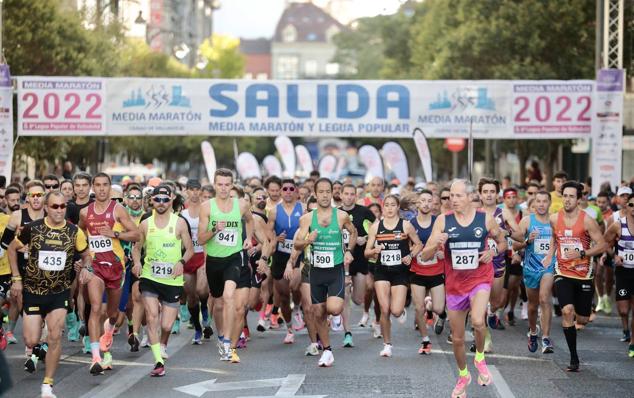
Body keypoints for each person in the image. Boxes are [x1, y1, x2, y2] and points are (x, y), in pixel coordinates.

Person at [421, 179, 506, 398]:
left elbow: (503, 242)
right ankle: (463, 375)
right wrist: (435, 242)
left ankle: (479, 357)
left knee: (478, 320)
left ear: (470, 197)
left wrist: (493, 252)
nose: (453, 200)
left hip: (480, 279)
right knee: (457, 339)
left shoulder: (484, 219)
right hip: (455, 285)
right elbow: (425, 255)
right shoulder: (442, 220)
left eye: (458, 196)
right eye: (450, 196)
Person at [9, 191, 92, 398]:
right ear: (46, 207)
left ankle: (48, 384)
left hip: (59, 291)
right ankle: (37, 344)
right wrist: (17, 278)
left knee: (55, 336)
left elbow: (86, 254)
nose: (59, 210)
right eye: (55, 206)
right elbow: (12, 249)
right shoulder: (33, 229)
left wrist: (86, 268)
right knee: (30, 339)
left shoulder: (74, 232)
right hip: (34, 291)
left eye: (63, 206)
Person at [79, 172, 140, 375]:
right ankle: (96, 357)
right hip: (95, 266)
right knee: (96, 308)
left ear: (109, 187)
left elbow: (136, 234)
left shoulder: (118, 210)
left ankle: (109, 330)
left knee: (113, 314)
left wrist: (114, 233)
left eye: (105, 185)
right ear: (93, 188)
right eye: (98, 185)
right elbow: (78, 237)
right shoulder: (85, 212)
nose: (102, 188)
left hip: (115, 267)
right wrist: (81, 260)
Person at [293, 178, 356, 367]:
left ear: (332, 193)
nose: (325, 195)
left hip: (335, 269)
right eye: (321, 192)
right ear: (315, 193)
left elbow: (354, 233)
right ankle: (327, 350)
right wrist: (307, 241)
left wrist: (349, 251)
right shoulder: (306, 219)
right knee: (317, 311)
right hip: (316, 270)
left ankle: (335, 319)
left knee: (335, 308)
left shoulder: (342, 216)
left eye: (328, 191)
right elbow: (296, 244)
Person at [132, 185, 193, 377]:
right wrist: (136, 264)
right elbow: (136, 248)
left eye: (165, 200)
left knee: (166, 325)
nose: (161, 203)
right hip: (150, 277)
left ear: (171, 201)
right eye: (157, 199)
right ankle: (158, 361)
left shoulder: (179, 223)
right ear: (151, 201)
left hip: (172, 280)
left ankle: (163, 343)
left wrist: (182, 262)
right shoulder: (145, 224)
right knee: (151, 316)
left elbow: (190, 249)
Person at [545, 181, 607, 371]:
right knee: (567, 311)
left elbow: (602, 245)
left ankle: (586, 311)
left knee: (582, 319)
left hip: (584, 273)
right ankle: (574, 358)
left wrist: (583, 254)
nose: (567, 199)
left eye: (572, 196)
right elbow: (555, 238)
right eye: (565, 196)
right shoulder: (554, 218)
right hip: (563, 271)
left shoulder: (587, 220)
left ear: (579, 199)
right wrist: (549, 255)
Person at [198, 168, 254, 363]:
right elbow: (200, 238)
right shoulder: (206, 207)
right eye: (219, 184)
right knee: (219, 303)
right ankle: (222, 336)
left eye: (227, 184)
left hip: (234, 256)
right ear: (214, 185)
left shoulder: (241, 205)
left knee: (229, 296)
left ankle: (228, 343)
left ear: (232, 185)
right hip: (214, 260)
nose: (223, 188)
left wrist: (249, 239)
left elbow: (250, 221)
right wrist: (215, 229)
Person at [365, 195, 423, 357]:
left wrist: (410, 255)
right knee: (384, 309)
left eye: (393, 205)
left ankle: (401, 311)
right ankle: (387, 344)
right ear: (383, 207)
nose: (389, 208)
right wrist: (374, 251)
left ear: (398, 207)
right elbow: (366, 252)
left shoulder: (406, 226)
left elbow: (418, 244)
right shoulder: (376, 227)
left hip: (400, 272)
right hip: (382, 271)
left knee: (395, 311)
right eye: (387, 205)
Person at [1, 180, 47, 346]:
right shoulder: (18, 216)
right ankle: (35, 339)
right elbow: (5, 243)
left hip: (44, 270)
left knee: (41, 309)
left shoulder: (50, 215)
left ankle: (41, 337)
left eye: (39, 195)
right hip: (21, 268)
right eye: (32, 195)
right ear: (27, 198)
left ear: (44, 197)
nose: (35, 199)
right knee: (24, 305)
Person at [265, 178, 305, 344]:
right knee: (282, 295)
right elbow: (268, 232)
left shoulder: (302, 209)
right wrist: (276, 238)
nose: (288, 192)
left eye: (291, 189)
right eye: (285, 189)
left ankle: (297, 308)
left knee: (295, 286)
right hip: (280, 255)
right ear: (281, 192)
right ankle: (289, 328)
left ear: (296, 191)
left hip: (298, 252)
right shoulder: (274, 211)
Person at [514, 191, 555, 353]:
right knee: (532, 306)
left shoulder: (555, 221)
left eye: (545, 201)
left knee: (545, 299)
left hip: (549, 267)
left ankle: (546, 338)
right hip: (531, 268)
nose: (541, 204)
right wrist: (527, 241)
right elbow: (515, 246)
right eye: (538, 201)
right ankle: (532, 331)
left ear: (549, 203)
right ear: (534, 203)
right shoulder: (526, 221)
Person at [409, 189, 447, 354]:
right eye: (422, 200)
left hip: (436, 270)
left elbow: (446, 242)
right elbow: (407, 246)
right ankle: (425, 340)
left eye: (429, 201)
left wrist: (442, 252)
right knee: (418, 308)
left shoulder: (438, 222)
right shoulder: (410, 224)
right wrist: (412, 251)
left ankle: (436, 310)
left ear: (433, 204)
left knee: (439, 308)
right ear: (417, 203)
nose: (426, 203)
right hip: (417, 271)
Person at [339, 183, 375, 347]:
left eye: (352, 194)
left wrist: (365, 239)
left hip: (360, 260)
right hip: (341, 261)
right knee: (345, 297)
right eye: (346, 194)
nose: (349, 197)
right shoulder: (335, 213)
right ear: (340, 195)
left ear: (356, 196)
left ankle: (354, 296)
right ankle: (347, 333)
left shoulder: (364, 212)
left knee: (358, 299)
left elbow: (377, 230)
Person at [180, 179, 213, 344]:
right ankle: (198, 328)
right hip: (187, 257)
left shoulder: (206, 209)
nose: (194, 192)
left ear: (200, 191)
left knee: (201, 290)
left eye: (197, 189)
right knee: (191, 297)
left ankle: (205, 309)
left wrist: (208, 259)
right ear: (186, 191)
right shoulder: (181, 212)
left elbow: (209, 234)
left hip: (202, 255)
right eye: (191, 189)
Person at [603, 192, 634, 357]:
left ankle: (632, 342)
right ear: (626, 206)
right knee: (623, 309)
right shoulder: (617, 225)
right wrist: (614, 256)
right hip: (623, 271)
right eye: (631, 205)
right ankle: (625, 328)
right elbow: (605, 242)